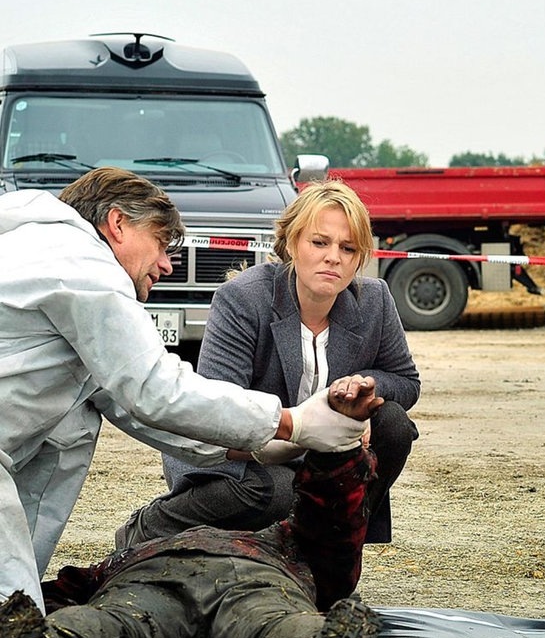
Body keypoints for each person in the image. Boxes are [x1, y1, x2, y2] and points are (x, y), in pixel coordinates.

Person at [0, 168, 370, 613]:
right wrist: (291, 422)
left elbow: (126, 403)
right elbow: (156, 389)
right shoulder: (82, 266)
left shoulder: (37, 251)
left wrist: (255, 447)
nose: (167, 264)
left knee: (74, 420)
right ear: (117, 224)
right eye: (160, 243)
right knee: (12, 618)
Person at [115, 179, 420, 548]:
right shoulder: (243, 298)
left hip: (320, 455)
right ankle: (154, 525)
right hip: (244, 458)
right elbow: (217, 410)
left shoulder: (376, 299)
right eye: (319, 242)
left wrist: (359, 387)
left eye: (348, 248)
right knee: (277, 490)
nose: (333, 257)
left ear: (359, 258)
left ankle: (331, 547)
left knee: (394, 425)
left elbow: (406, 381)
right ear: (292, 243)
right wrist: (298, 428)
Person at [0, 378, 384, 638]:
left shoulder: (288, 545)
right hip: (206, 583)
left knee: (109, 624)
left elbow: (334, 523)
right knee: (110, 623)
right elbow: (333, 524)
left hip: (189, 584)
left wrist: (338, 446)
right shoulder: (284, 546)